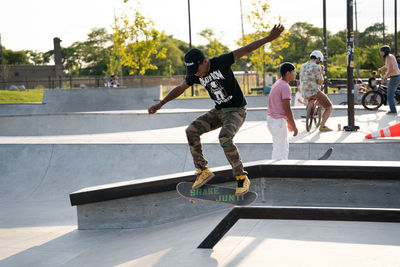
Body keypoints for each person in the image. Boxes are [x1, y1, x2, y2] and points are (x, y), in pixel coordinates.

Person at [148, 24, 285, 196]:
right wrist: (161, 104)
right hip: (219, 111)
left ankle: (241, 177)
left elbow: (246, 49)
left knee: (225, 137)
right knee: (191, 130)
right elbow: (180, 88)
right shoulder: (194, 74)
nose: (196, 74)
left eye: (197, 70)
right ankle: (202, 171)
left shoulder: (221, 62)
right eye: (192, 72)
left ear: (205, 62)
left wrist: (268, 38)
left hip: (236, 110)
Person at [267, 62, 298, 160]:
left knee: (279, 147)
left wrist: (287, 122)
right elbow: (287, 109)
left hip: (272, 120)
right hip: (278, 121)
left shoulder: (278, 83)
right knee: (281, 151)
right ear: (288, 73)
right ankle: (278, 172)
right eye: (294, 72)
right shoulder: (285, 86)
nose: (295, 74)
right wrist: (294, 126)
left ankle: (276, 170)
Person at [299, 50, 333, 131]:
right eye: (320, 61)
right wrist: (321, 72)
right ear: (318, 58)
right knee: (329, 107)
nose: (319, 63)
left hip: (303, 92)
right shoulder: (317, 67)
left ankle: (309, 108)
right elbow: (320, 82)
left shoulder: (302, 66)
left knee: (311, 96)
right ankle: (322, 125)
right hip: (314, 91)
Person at [378, 46, 400, 114]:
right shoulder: (389, 57)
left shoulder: (389, 57)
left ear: (385, 52)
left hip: (394, 77)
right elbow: (388, 66)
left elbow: (391, 69)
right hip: (396, 76)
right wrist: (382, 68)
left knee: (389, 95)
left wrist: (384, 77)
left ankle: (393, 110)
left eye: (382, 52)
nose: (381, 53)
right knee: (392, 91)